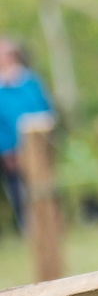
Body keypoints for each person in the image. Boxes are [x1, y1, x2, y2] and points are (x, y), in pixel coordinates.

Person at [0, 39, 52, 232]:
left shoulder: (30, 82)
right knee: (19, 190)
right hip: (13, 148)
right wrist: (6, 148)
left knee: (44, 186)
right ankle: (30, 229)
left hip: (39, 143)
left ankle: (50, 224)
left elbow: (44, 108)